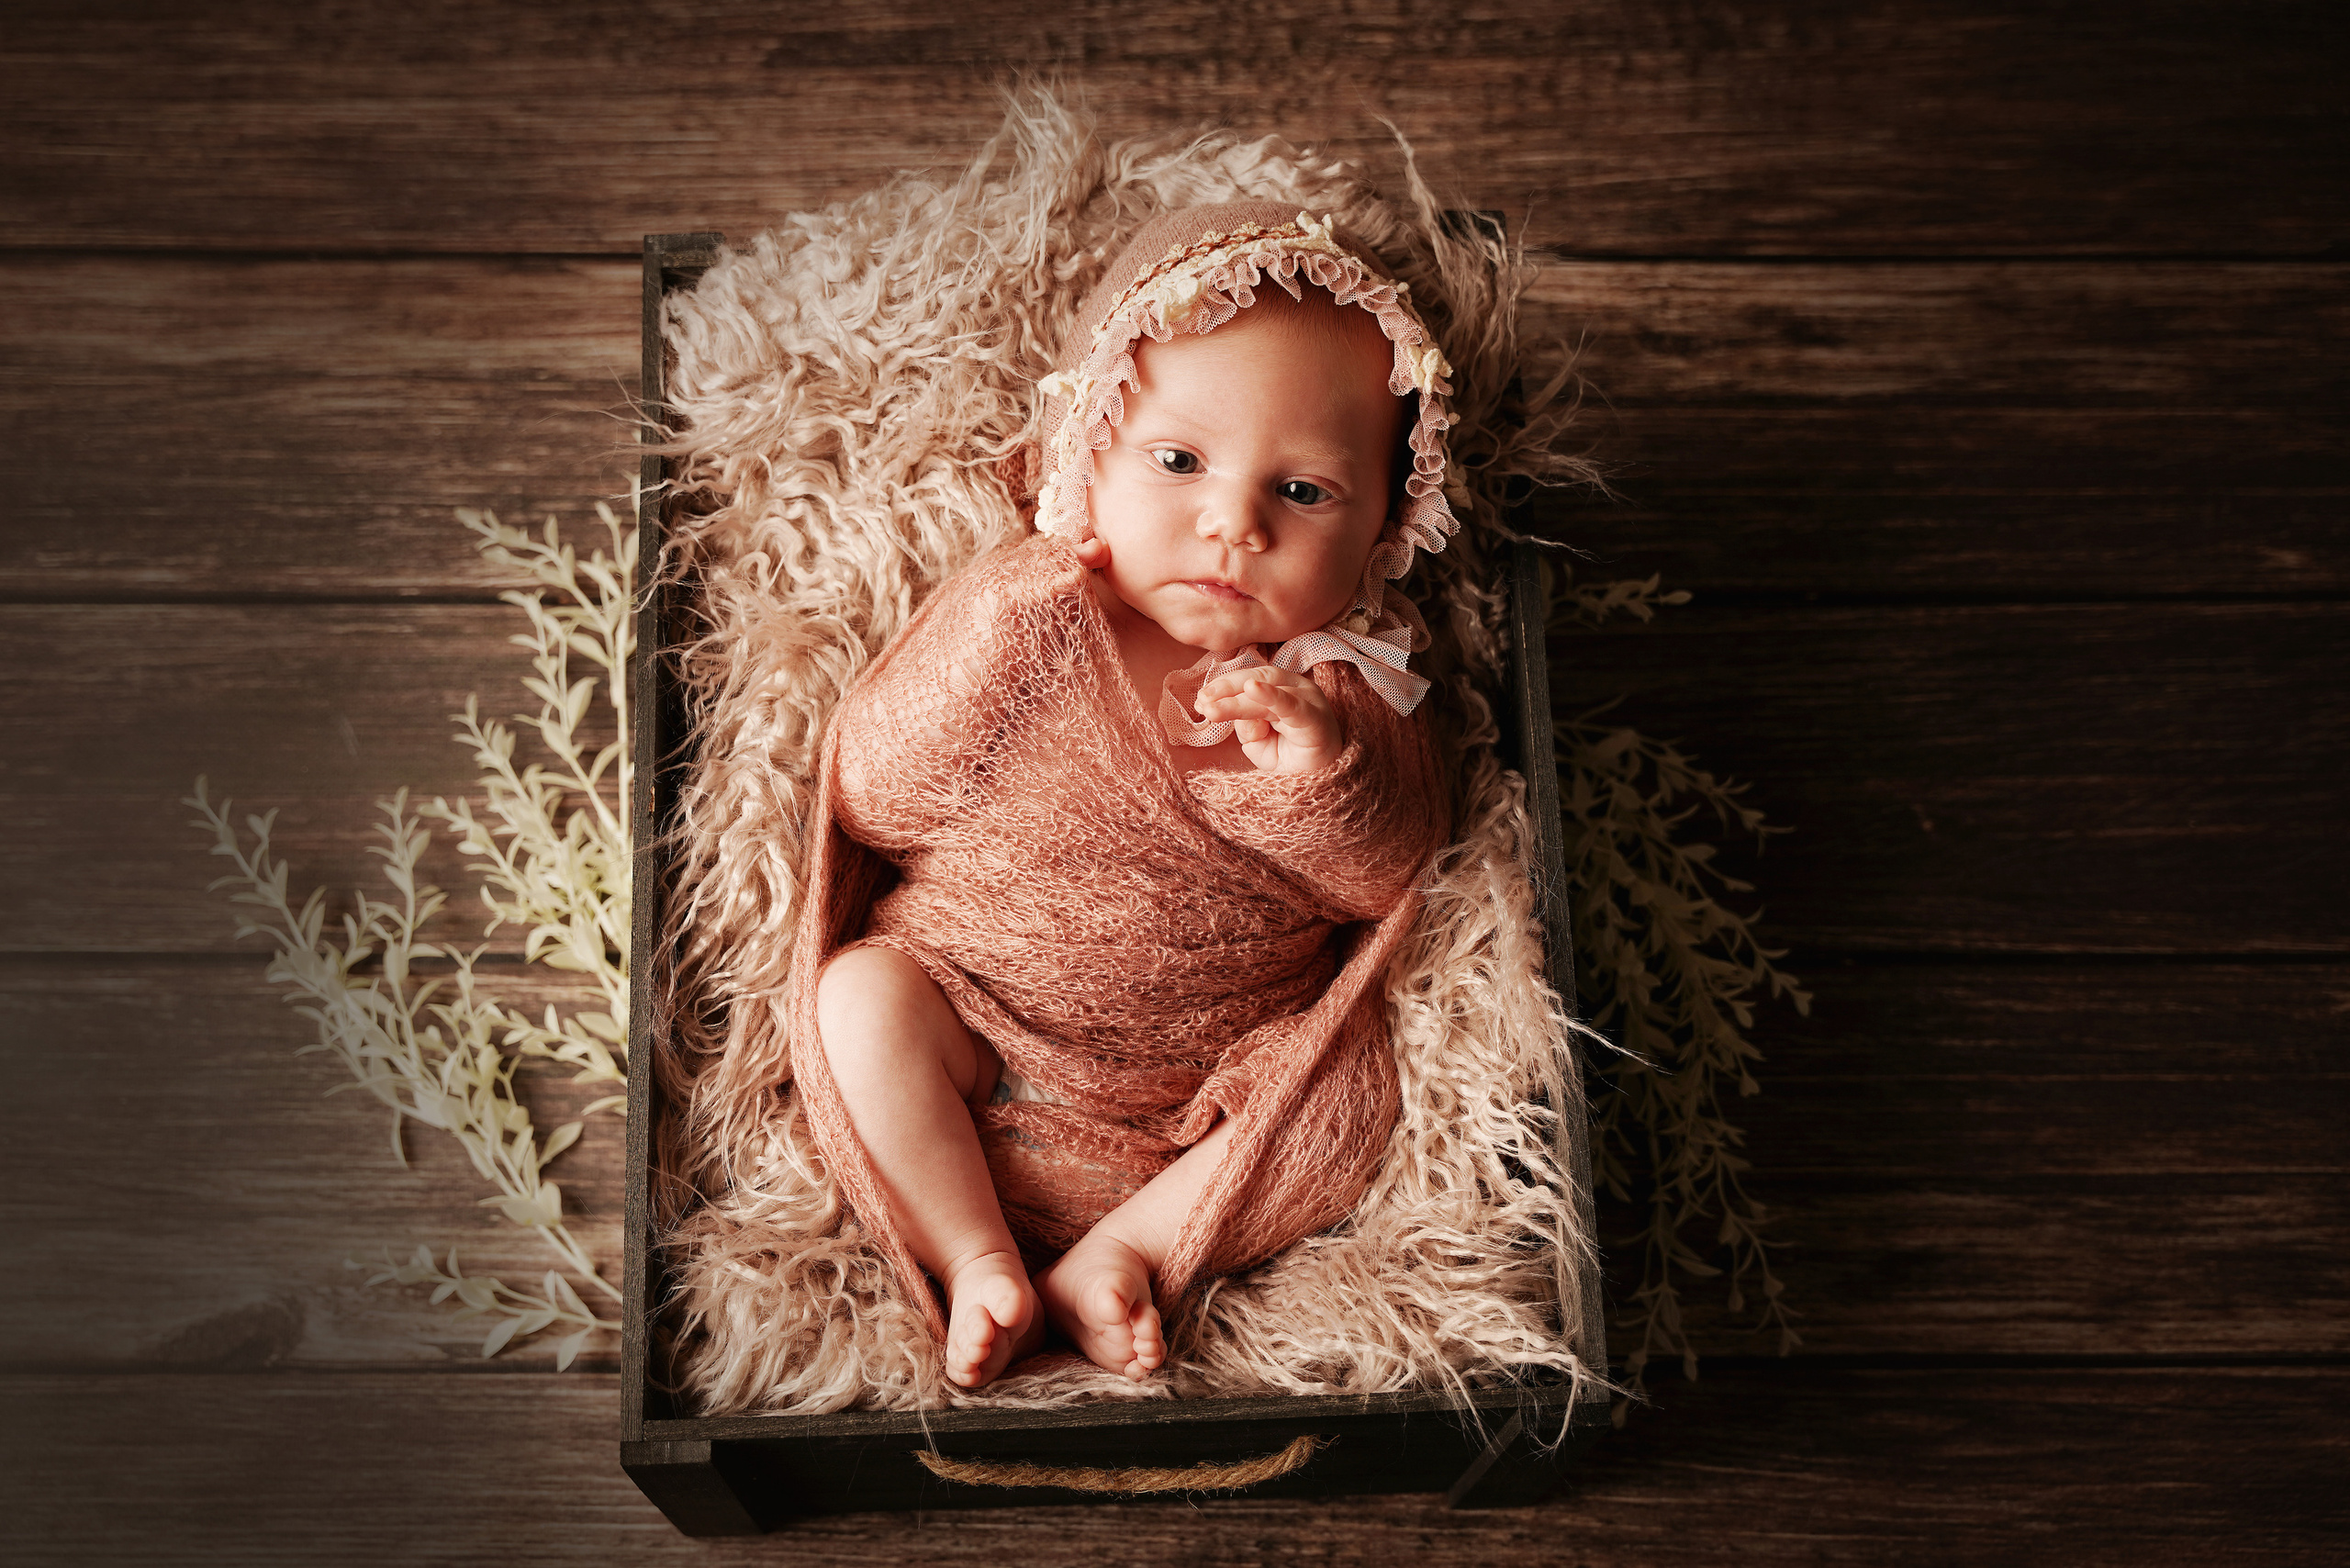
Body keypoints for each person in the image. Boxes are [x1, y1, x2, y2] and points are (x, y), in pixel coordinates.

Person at [788, 202, 1467, 1389]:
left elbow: (1389, 881)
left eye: (1305, 491)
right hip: (970, 1028)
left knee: (1354, 1098)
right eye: (1180, 462)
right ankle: (975, 1255)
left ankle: (1124, 1251)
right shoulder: (1029, 614)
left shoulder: (1346, 688)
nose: (1235, 523)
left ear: (1383, 527)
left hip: (1201, 1107)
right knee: (857, 999)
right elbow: (873, 802)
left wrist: (1324, 776)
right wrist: (990, 641)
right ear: (1086, 454)